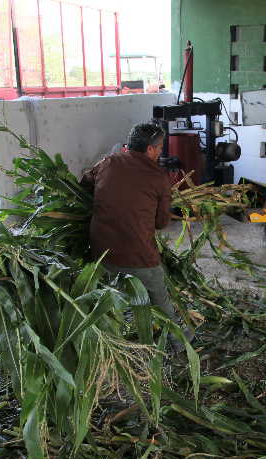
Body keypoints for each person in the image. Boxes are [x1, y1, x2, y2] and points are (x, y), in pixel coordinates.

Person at [81, 122, 189, 352]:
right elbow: (161, 223)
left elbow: (85, 182)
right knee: (160, 298)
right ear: (149, 149)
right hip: (138, 255)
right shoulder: (159, 179)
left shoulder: (108, 162)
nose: (161, 152)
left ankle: (109, 340)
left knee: (111, 295)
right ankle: (178, 344)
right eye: (159, 147)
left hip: (101, 253)